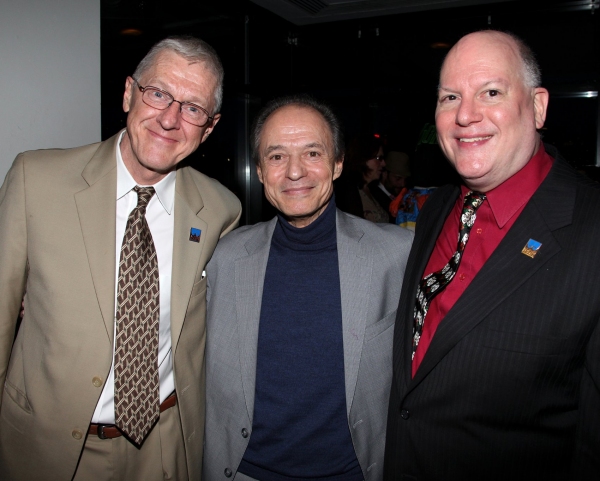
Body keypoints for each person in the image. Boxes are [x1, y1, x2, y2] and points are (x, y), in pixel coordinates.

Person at [0, 36, 241, 481]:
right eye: (158, 93)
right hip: (52, 447)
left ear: (209, 128)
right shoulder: (36, 180)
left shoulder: (221, 210)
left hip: (166, 444)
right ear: (129, 93)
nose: (170, 118)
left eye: (192, 108)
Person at [384, 29, 600, 480]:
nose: (465, 115)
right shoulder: (436, 208)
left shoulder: (591, 229)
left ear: (538, 107)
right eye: (449, 98)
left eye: (491, 92)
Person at [203, 95, 413, 481]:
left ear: (337, 165)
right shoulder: (223, 258)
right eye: (277, 156)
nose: (294, 172)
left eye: (312, 153)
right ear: (261, 171)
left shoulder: (395, 256)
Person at [369, 151, 410, 223]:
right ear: (385, 174)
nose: (403, 184)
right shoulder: (374, 195)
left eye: (405, 179)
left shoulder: (406, 196)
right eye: (398, 178)